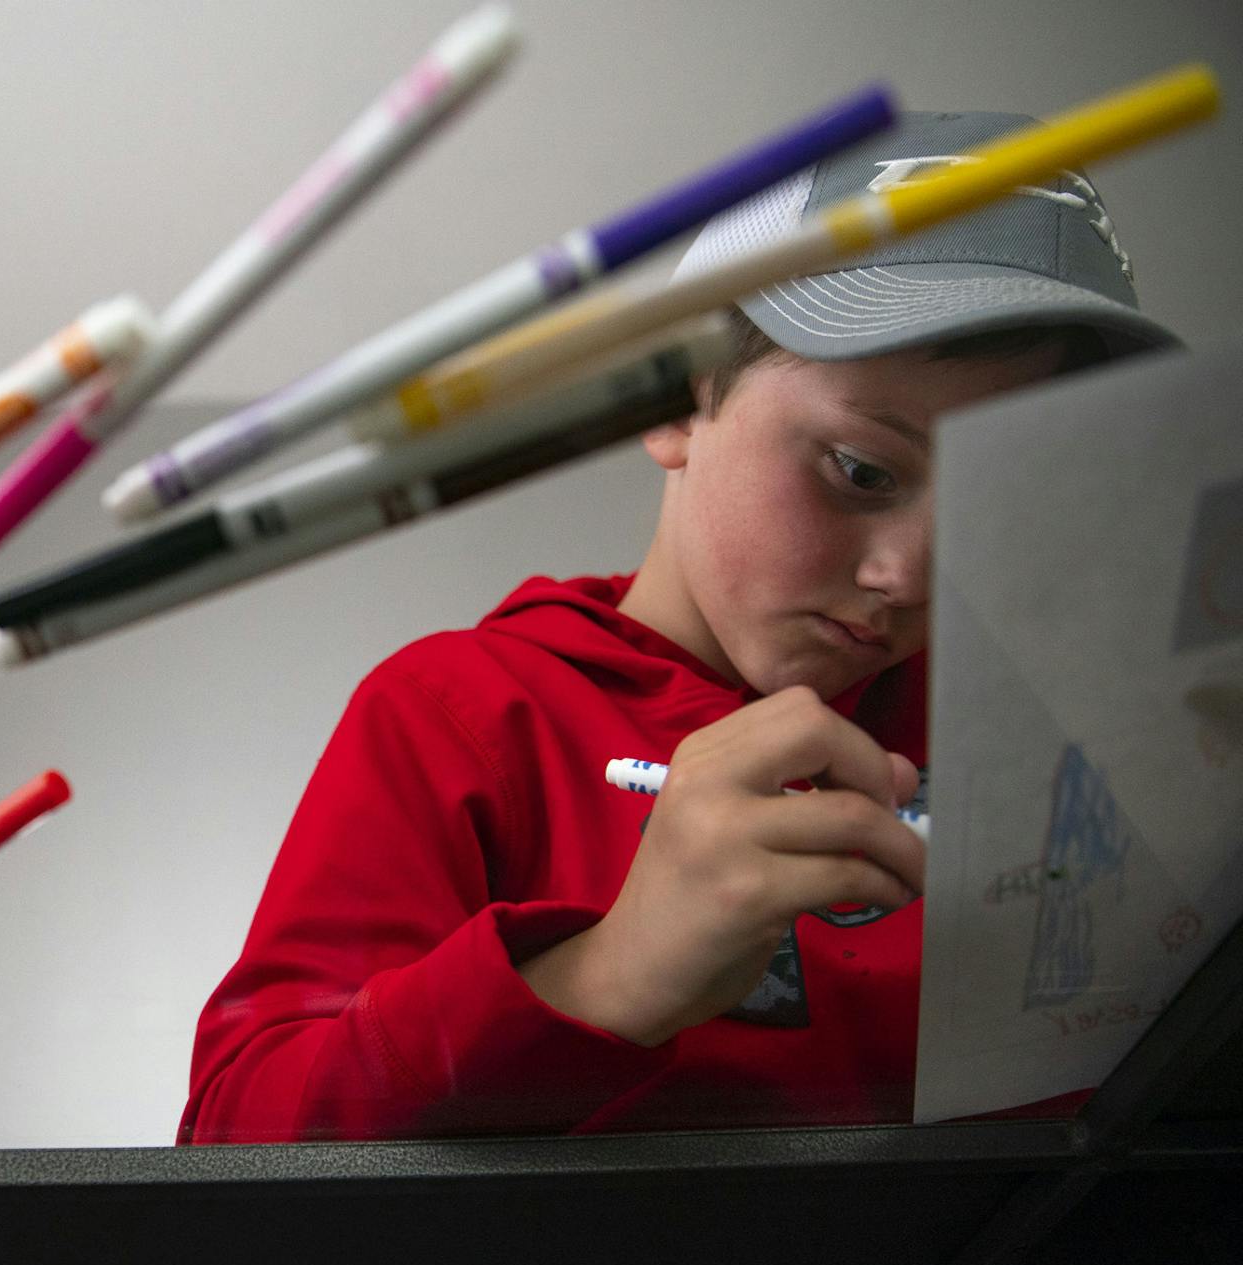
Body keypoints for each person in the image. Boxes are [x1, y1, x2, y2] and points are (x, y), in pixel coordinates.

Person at [180, 112, 1177, 1144]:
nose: (911, 574)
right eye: (862, 471)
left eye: (1003, 501)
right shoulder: (457, 716)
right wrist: (606, 977)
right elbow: (228, 1162)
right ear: (672, 398)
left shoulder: (1048, 740)